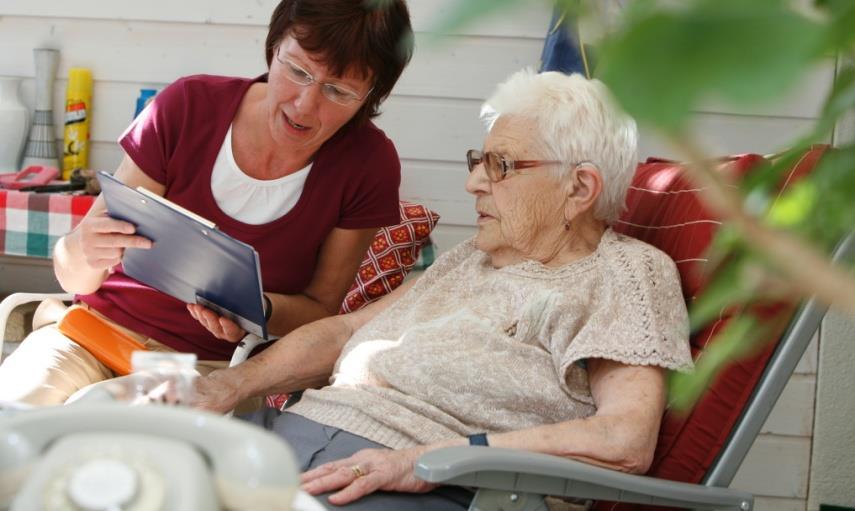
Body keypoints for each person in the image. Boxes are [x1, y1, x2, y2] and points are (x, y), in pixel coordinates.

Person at [192, 69, 694, 510]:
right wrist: (229, 386)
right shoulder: (470, 258)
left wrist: (427, 461)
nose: (474, 182)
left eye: (500, 166)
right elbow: (344, 330)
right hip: (291, 442)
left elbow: (623, 439)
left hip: (421, 486)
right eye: (478, 161)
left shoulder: (625, 274)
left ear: (580, 188)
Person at [0, 0, 414, 406]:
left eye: (338, 91)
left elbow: (320, 311)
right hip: (88, 335)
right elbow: (75, 275)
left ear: (372, 96)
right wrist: (82, 248)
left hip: (210, 371)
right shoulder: (187, 107)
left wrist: (258, 311)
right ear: (273, 46)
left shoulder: (367, 164)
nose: (305, 105)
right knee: (13, 415)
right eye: (297, 71)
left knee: (99, 427)